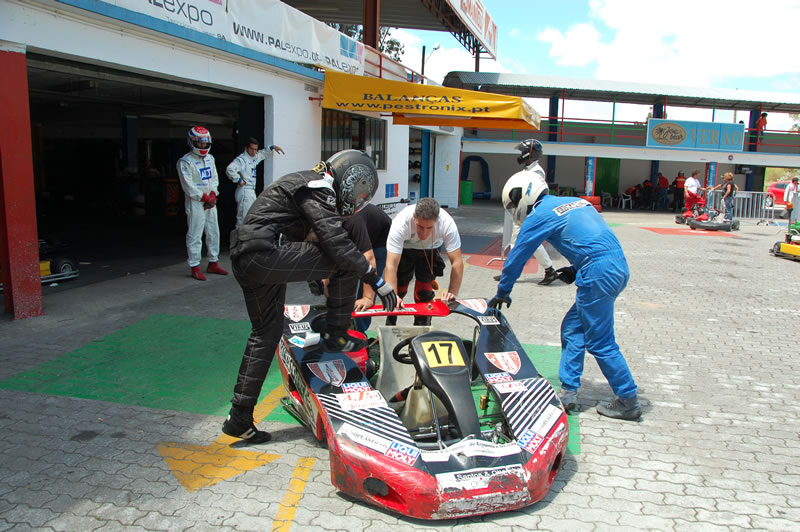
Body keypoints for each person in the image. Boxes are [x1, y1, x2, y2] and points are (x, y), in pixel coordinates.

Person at [223, 150, 398, 443]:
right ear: (349, 180)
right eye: (358, 193)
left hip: (248, 258)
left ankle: (240, 417)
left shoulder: (307, 185)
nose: (356, 202)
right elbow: (336, 244)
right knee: (343, 258)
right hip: (264, 254)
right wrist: (376, 280)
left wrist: (316, 276)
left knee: (266, 333)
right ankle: (336, 335)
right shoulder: (317, 187)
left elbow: (308, 237)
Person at [489, 182, 641, 421]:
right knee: (572, 328)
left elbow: (518, 255)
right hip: (615, 265)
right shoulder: (575, 203)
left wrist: (503, 291)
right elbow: (592, 239)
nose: (514, 210)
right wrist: (573, 268)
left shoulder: (539, 215)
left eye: (513, 205)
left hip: (597, 273)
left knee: (600, 342)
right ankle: (569, 392)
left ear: (523, 198)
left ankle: (628, 399)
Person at [384, 197, 463, 326]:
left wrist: (452, 293)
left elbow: (457, 262)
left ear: (437, 221)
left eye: (429, 228)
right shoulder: (401, 222)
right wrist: (393, 297)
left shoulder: (447, 223)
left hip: (430, 250)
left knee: (424, 294)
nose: (424, 233)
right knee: (399, 289)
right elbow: (391, 265)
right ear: (414, 217)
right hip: (405, 250)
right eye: (420, 227)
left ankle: (421, 329)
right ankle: (390, 322)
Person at [494, 139, 557, 285]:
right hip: (520, 211)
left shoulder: (537, 171)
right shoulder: (527, 170)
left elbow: (531, 193)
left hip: (528, 212)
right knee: (515, 243)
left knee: (531, 242)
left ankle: (549, 270)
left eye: (523, 152)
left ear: (530, 154)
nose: (521, 154)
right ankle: (509, 272)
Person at [176, 126, 228, 281]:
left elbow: (214, 179)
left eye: (206, 143)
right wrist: (204, 198)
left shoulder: (210, 158)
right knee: (195, 233)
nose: (203, 146)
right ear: (192, 142)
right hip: (195, 202)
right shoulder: (184, 162)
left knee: (213, 231)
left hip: (211, 201)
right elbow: (188, 186)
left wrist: (213, 193)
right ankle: (195, 266)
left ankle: (213, 262)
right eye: (200, 143)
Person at [226, 138, 285, 227]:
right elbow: (229, 169)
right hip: (245, 191)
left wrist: (272, 147)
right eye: (251, 149)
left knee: (250, 218)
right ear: (246, 148)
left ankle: (245, 239)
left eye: (255, 149)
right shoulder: (242, 159)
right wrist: (239, 180)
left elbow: (262, 154)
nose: (254, 152)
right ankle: (238, 240)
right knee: (243, 219)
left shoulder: (253, 158)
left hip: (250, 191)